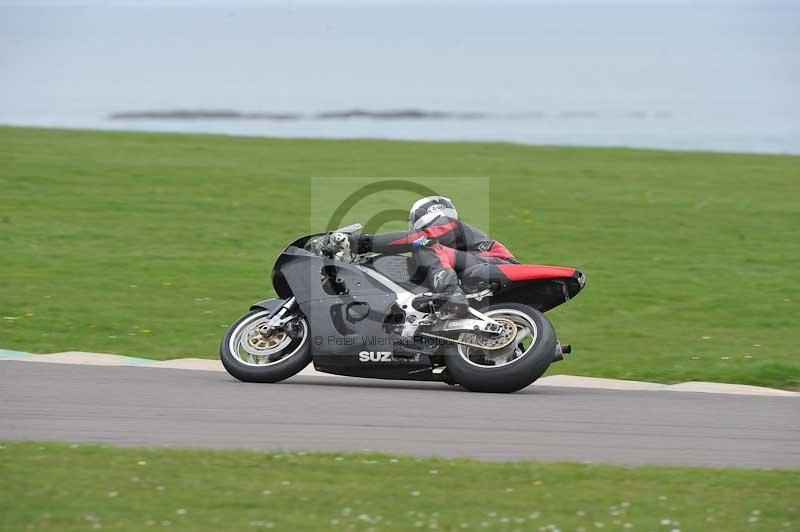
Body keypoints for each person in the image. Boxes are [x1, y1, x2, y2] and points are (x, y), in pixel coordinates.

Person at [347, 196, 518, 316]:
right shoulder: (450, 243)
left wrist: (359, 242)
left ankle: (451, 292)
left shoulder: (447, 225)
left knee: (423, 245)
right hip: (485, 269)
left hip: (498, 265)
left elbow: (416, 239)